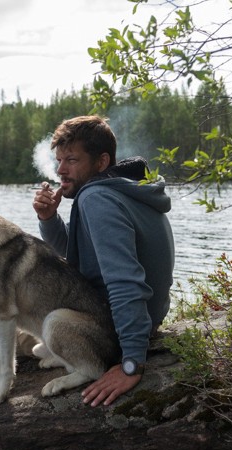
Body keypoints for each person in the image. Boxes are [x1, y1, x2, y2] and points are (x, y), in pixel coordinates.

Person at [33, 115, 175, 407]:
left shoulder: (97, 198)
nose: (60, 170)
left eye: (71, 160)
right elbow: (80, 256)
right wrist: (48, 220)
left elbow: (125, 281)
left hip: (113, 332)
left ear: (101, 162)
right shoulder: (122, 189)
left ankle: (80, 362)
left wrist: (132, 363)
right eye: (58, 160)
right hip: (141, 321)